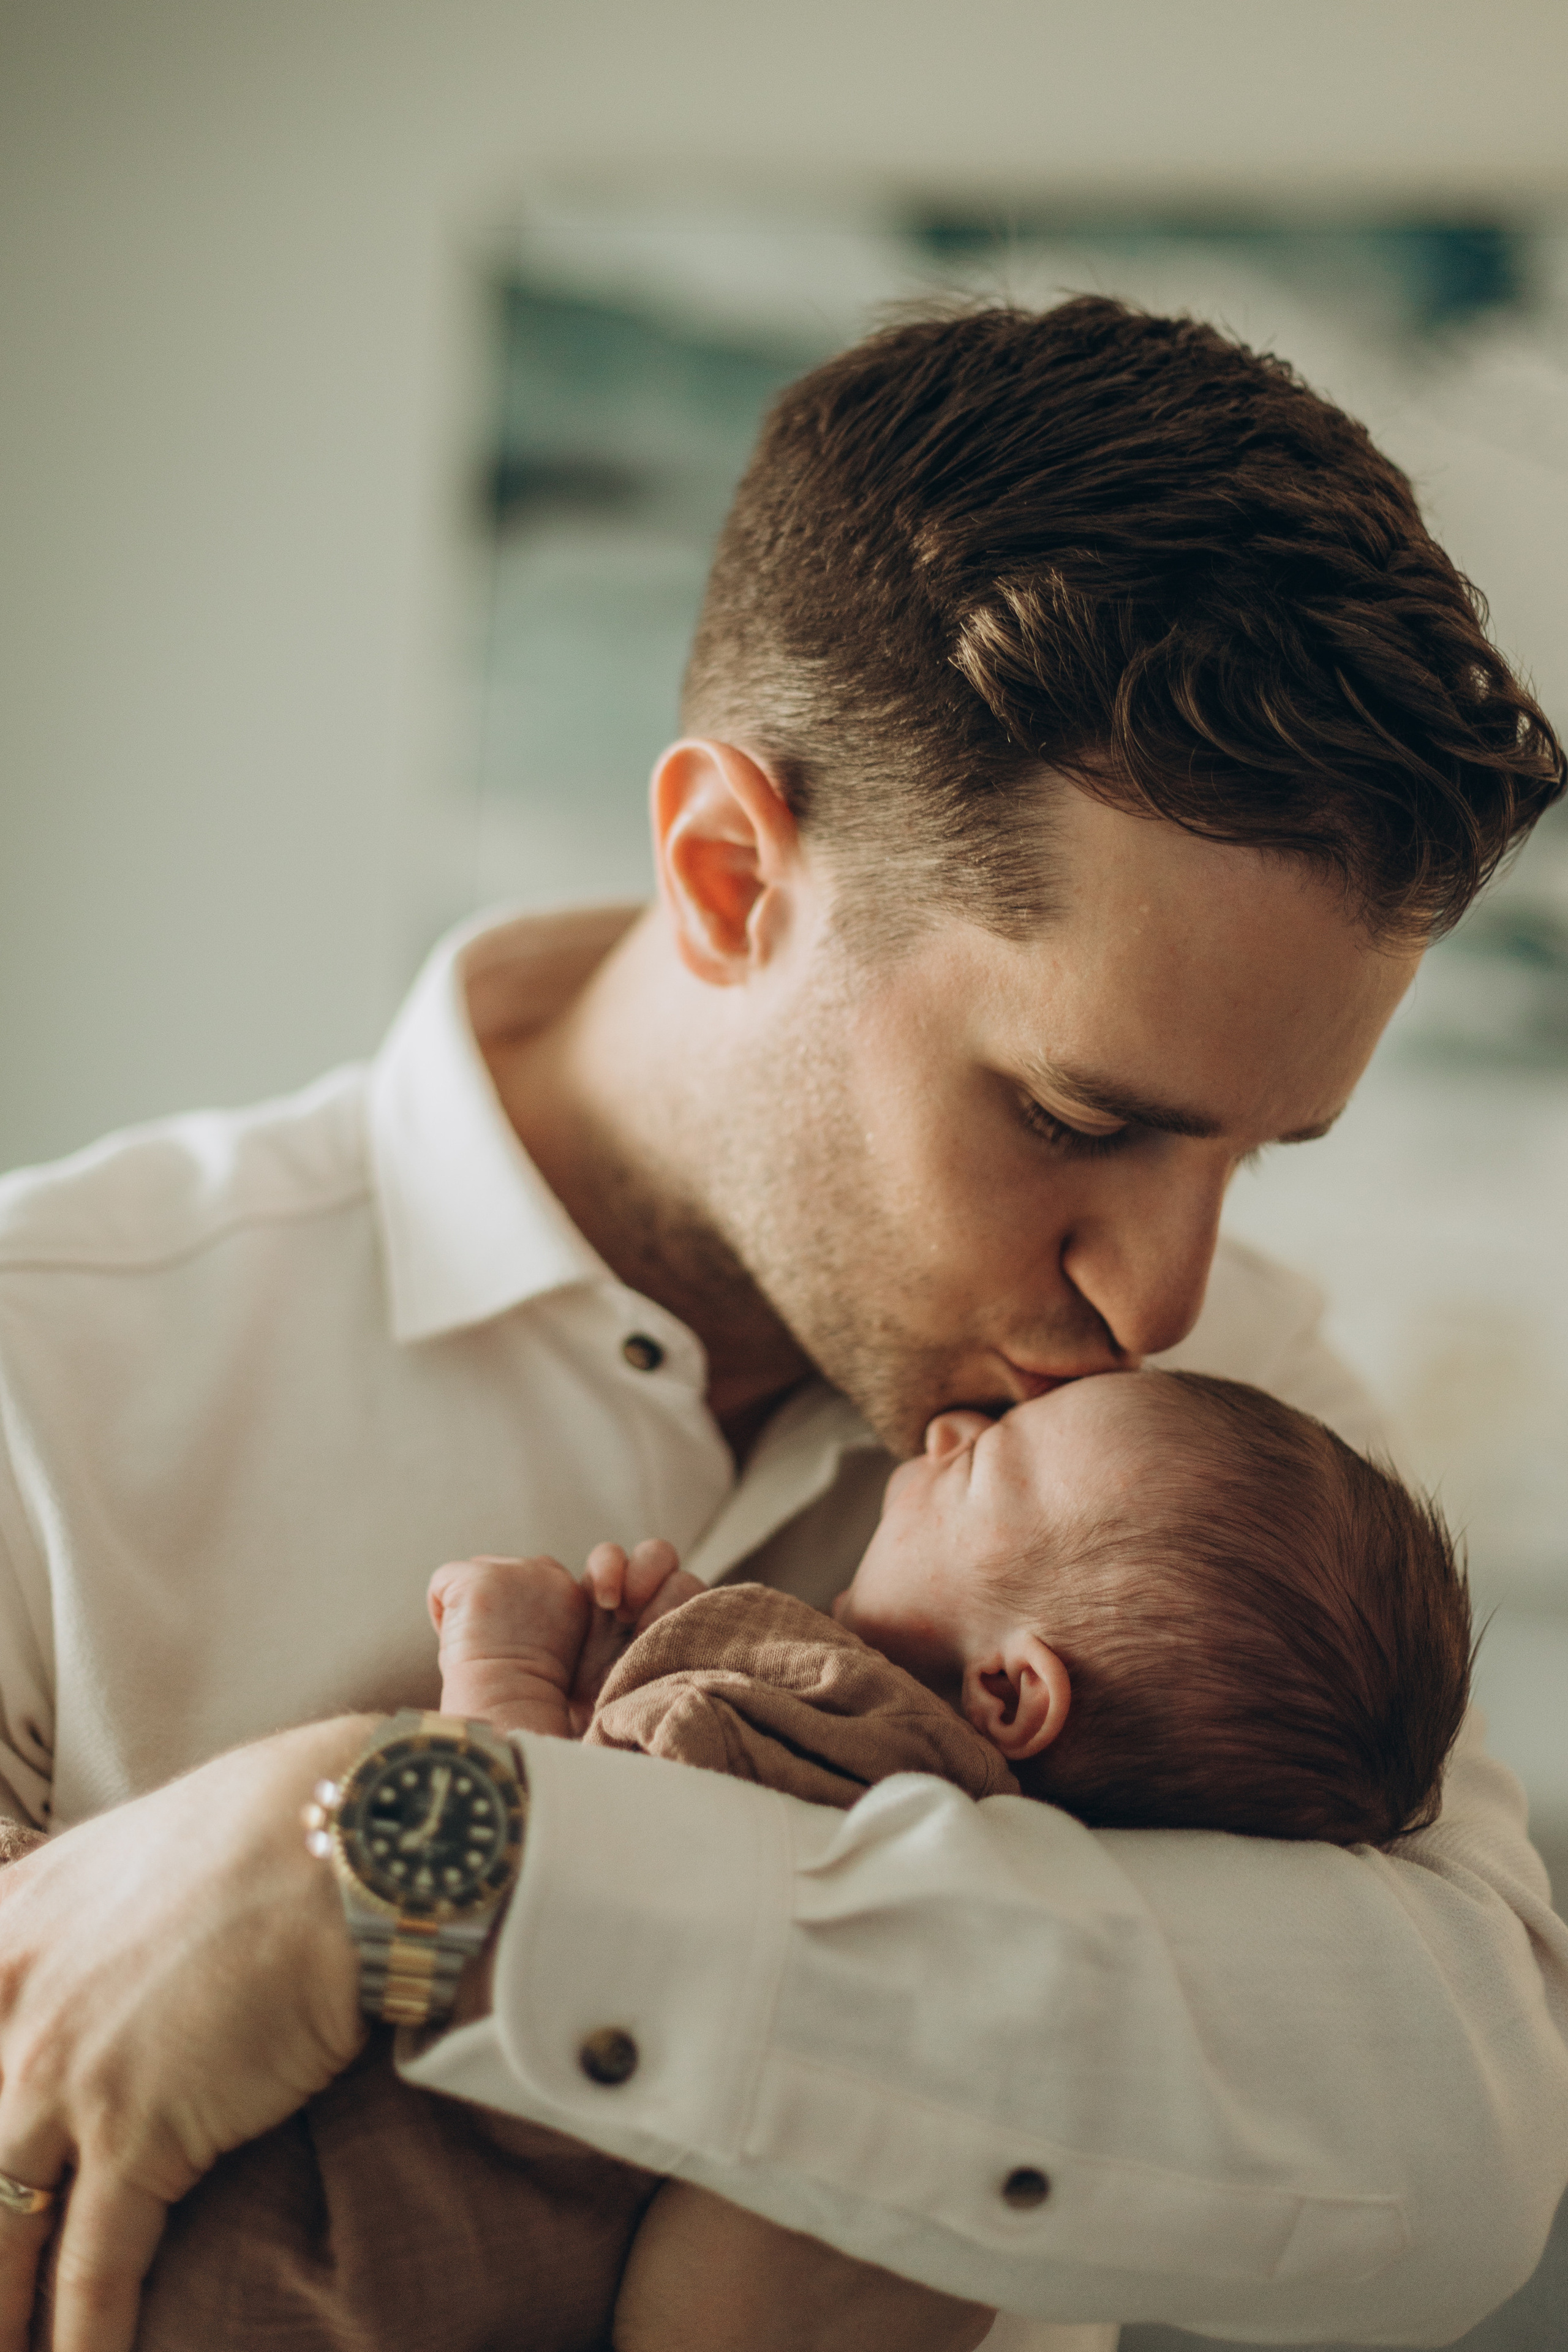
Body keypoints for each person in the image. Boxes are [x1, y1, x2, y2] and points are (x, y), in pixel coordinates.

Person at [0, 296, 1564, 2352]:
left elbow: (1456, 2129)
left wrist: (440, 1865)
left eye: (1259, 1154)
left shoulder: (1238, 1415)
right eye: (1080, 1119)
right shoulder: (51, 1375)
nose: (1160, 1300)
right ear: (732, 874)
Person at [100, 1366, 1472, 2352]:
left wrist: (502, 1666)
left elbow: (522, 1900)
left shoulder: (807, 1741)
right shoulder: (911, 1806)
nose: (947, 1424)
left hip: (299, 2245)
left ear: (1009, 1698)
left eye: (990, 1458)